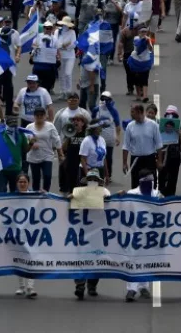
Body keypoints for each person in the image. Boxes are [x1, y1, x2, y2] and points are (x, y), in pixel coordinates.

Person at [69, 169, 110, 300]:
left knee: (96, 259)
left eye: (94, 180)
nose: (92, 182)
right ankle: (80, 286)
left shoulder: (103, 191)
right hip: (82, 232)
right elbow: (68, 204)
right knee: (80, 259)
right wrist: (68, 198)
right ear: (87, 181)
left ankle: (92, 286)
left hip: (98, 232)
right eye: (90, 179)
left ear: (98, 182)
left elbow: (111, 201)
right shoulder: (79, 192)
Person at [124, 170, 161, 302]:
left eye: (151, 181)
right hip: (134, 233)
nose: (150, 184)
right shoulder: (132, 194)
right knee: (133, 260)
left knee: (147, 260)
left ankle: (144, 287)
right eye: (147, 182)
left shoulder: (156, 194)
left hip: (151, 234)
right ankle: (131, 289)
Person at [121, 103, 163, 188]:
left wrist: (159, 161)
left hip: (149, 159)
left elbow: (159, 144)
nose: (131, 114)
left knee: (151, 185)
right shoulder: (130, 126)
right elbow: (126, 146)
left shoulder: (153, 125)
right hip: (136, 160)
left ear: (139, 112)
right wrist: (124, 163)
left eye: (133, 112)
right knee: (136, 185)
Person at [25, 107, 62, 192]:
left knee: (47, 175)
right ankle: (36, 195)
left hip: (47, 155)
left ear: (45, 116)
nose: (39, 117)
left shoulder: (50, 126)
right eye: (37, 115)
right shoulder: (29, 127)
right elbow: (25, 144)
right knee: (36, 178)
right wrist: (31, 144)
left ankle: (46, 193)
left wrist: (60, 154)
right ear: (34, 116)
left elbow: (57, 140)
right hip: (33, 157)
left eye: (41, 115)